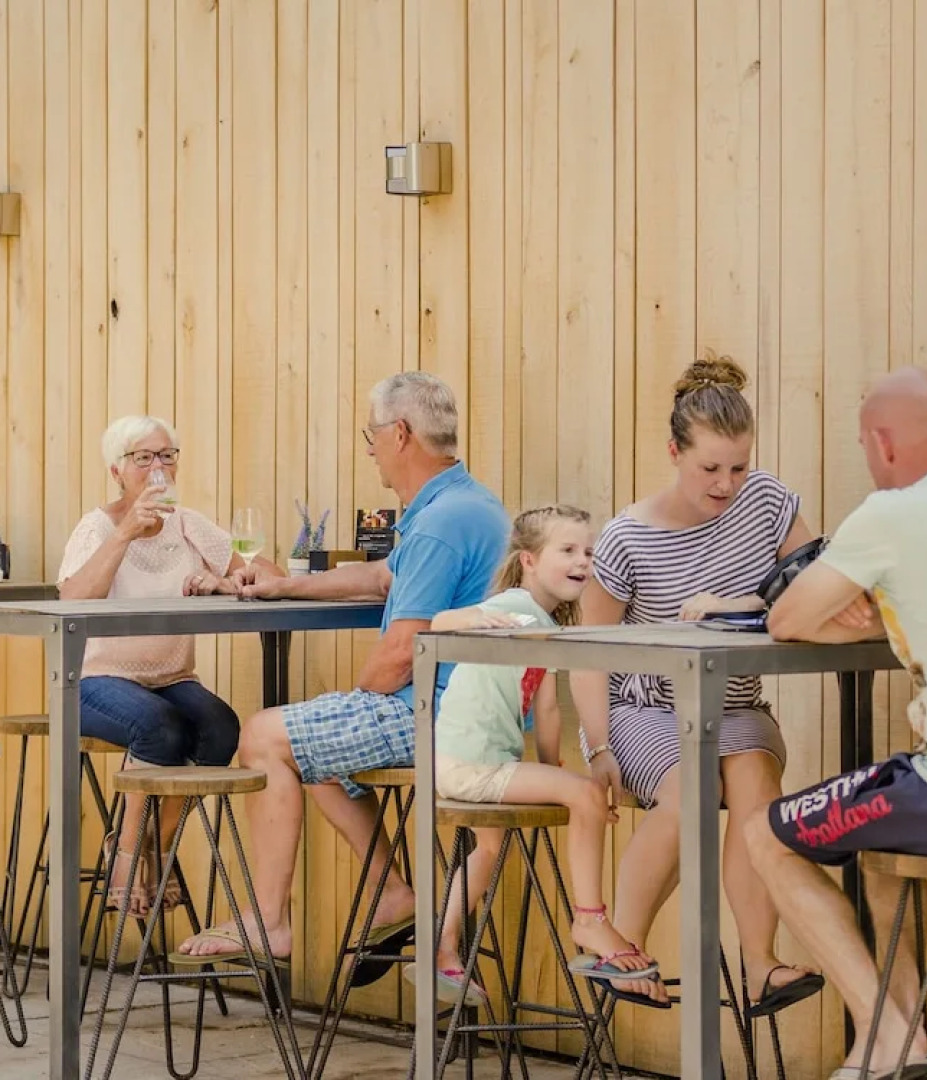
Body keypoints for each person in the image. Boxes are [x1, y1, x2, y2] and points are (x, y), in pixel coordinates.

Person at [174, 371, 510, 964]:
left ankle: (268, 922)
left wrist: (358, 698)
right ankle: (391, 892)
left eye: (371, 435)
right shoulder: (466, 504)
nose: (370, 449)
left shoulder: (441, 523)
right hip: (475, 709)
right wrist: (284, 586)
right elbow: (382, 577)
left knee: (264, 735)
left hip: (440, 714)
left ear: (400, 434)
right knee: (310, 742)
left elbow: (402, 653)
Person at [572, 352, 823, 1010]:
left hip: (735, 702)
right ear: (674, 453)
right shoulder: (628, 537)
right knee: (694, 787)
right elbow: (588, 652)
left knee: (757, 793)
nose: (727, 484)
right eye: (710, 468)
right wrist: (599, 748)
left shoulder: (767, 502)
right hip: (646, 708)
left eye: (738, 467)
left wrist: (737, 604)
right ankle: (622, 948)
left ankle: (760, 965)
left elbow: (814, 589)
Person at [747, 367, 927, 1079]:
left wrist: (849, 604)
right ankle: (900, 1042)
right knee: (881, 843)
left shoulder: (891, 513)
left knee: (763, 835)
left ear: (883, 444)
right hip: (918, 787)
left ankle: (887, 1035)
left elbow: (787, 618)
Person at [415, 505, 657, 1007]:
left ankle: (441, 947)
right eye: (567, 550)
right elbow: (438, 622)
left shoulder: (539, 620)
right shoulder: (515, 609)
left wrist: (554, 778)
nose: (583, 561)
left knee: (489, 849)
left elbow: (547, 710)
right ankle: (589, 919)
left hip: (457, 761)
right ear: (528, 560)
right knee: (586, 795)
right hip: (475, 766)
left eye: (588, 552)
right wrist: (474, 618)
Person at [58, 414, 256, 915]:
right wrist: (124, 533)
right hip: (93, 680)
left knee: (220, 727)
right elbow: (73, 598)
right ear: (117, 471)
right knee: (160, 727)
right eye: (142, 458)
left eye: (166, 456)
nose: (158, 468)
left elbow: (258, 572)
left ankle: (156, 846)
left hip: (170, 676)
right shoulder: (97, 527)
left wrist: (225, 581)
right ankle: (127, 856)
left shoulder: (188, 524)